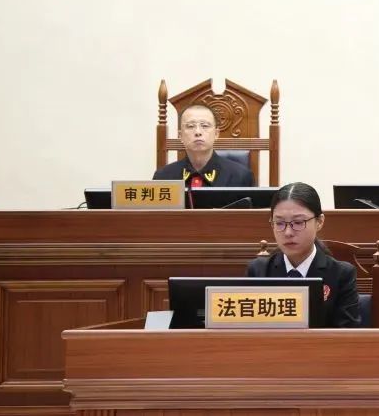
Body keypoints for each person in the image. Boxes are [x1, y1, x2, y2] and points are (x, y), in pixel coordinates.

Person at [246, 183, 361, 328]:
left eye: (298, 222)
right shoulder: (259, 271)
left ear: (319, 222)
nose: (288, 232)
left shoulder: (341, 274)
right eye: (279, 223)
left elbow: (347, 335)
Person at [153, 104, 255, 187]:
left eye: (205, 126)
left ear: (216, 134)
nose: (198, 132)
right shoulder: (163, 177)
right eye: (190, 126)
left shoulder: (241, 177)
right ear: (180, 136)